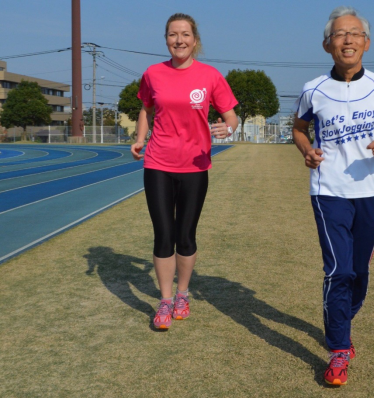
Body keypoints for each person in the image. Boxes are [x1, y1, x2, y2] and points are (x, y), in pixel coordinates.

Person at [292, 6, 374, 386]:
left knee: (359, 273)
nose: (348, 39)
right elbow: (298, 129)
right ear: (328, 45)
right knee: (338, 271)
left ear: (366, 44)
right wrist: (306, 150)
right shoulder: (313, 90)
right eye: (340, 34)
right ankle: (339, 348)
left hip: (370, 191)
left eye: (355, 34)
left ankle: (341, 318)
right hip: (328, 192)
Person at [131, 13, 238, 330]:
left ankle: (182, 294)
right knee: (163, 236)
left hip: (195, 165)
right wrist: (140, 139)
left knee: (185, 236)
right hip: (158, 164)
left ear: (195, 40)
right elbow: (145, 110)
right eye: (173, 34)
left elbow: (230, 116)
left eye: (185, 34)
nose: (179, 40)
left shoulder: (210, 76)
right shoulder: (152, 74)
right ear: (166, 39)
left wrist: (226, 129)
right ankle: (164, 302)